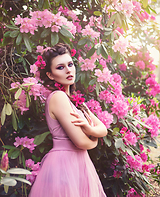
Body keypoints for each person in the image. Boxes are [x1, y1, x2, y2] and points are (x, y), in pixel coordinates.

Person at [29, 43, 107, 197]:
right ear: (50, 75)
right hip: (64, 164)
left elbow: (103, 129)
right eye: (60, 67)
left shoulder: (76, 101)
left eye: (70, 64)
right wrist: (94, 140)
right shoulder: (58, 97)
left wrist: (89, 129)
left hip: (79, 163)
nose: (68, 70)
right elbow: (81, 142)